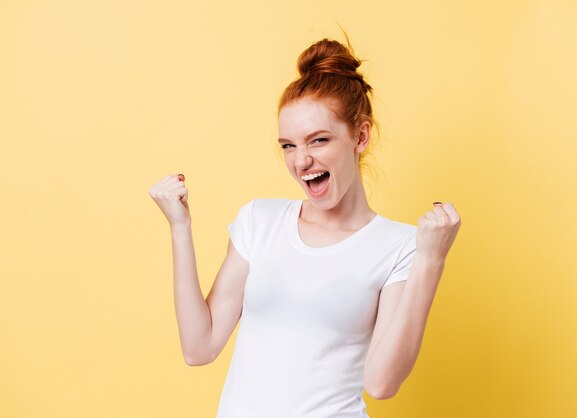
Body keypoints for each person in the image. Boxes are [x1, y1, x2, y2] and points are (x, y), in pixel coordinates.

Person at [148, 36, 461, 418]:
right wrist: (180, 227)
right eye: (288, 146)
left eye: (319, 140)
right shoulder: (258, 222)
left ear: (359, 137)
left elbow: (381, 383)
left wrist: (431, 260)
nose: (302, 161)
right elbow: (199, 348)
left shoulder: (399, 246)